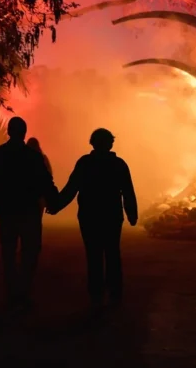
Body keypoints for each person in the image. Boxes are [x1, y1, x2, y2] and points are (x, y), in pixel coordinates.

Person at [49, 128, 138, 313]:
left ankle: (96, 295)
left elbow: (72, 188)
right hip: (112, 216)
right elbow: (128, 191)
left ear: (92, 143)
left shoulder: (85, 163)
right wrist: (131, 213)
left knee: (94, 255)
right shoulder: (119, 164)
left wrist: (56, 205)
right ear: (111, 144)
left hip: (89, 216)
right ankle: (115, 294)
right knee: (112, 253)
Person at [0, 117, 57, 311]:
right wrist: (54, 201)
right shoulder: (33, 157)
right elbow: (45, 181)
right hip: (29, 212)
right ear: (24, 133)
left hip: (8, 211)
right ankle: (23, 292)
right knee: (30, 252)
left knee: (8, 253)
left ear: (9, 131)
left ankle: (12, 292)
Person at [26, 137, 52, 217]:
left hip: (26, 194)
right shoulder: (43, 158)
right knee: (37, 220)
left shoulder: (24, 158)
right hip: (40, 194)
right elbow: (49, 176)